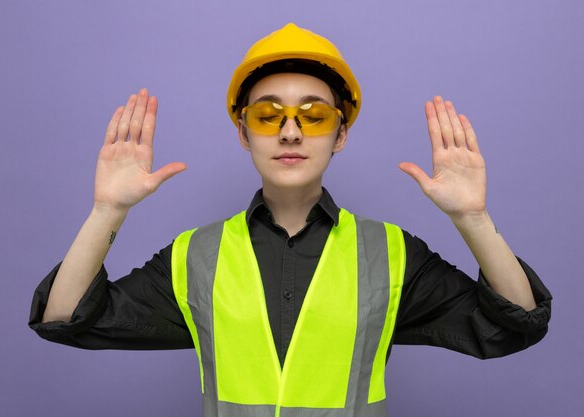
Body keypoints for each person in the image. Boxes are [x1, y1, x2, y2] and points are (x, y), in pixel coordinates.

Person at [29, 23, 552, 417]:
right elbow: (67, 318)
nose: (291, 132)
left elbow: (515, 323)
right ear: (244, 132)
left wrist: (474, 219)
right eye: (267, 114)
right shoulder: (196, 255)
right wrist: (108, 211)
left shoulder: (392, 254)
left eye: (315, 115)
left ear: (340, 134)